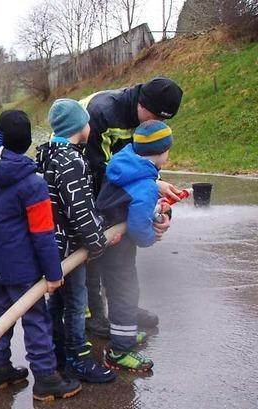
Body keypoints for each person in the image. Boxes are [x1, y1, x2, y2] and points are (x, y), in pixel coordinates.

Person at [0, 110, 81, 402]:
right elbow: (43, 233)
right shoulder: (34, 184)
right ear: (27, 143)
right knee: (35, 320)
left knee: (0, 317)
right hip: (23, 270)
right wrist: (54, 273)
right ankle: (45, 378)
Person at [80, 76, 183, 335]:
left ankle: (123, 308)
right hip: (84, 182)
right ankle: (92, 316)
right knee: (91, 253)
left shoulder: (147, 122)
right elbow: (98, 175)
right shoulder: (101, 113)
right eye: (155, 116)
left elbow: (145, 165)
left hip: (112, 183)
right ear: (141, 102)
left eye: (164, 120)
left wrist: (157, 206)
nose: (156, 124)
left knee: (123, 251)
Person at [42, 99, 116, 383]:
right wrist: (97, 242)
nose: (90, 126)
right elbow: (80, 208)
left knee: (57, 303)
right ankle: (78, 358)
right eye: (86, 122)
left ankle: (58, 353)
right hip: (69, 248)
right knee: (75, 303)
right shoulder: (72, 160)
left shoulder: (49, 153)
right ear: (78, 127)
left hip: (52, 247)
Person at [95, 120, 174, 372]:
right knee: (125, 293)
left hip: (105, 238)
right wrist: (151, 238)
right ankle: (120, 351)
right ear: (162, 152)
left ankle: (124, 335)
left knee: (120, 291)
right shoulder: (146, 185)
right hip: (119, 246)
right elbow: (139, 226)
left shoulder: (124, 160)